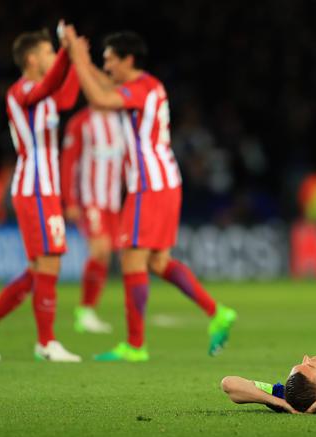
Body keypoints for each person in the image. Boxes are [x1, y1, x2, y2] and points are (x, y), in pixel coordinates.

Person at [62, 25, 237, 360]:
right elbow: (105, 85)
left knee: (132, 257)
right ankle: (217, 312)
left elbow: (99, 97)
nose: (107, 66)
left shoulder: (140, 88)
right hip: (164, 181)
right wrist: (81, 61)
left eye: (109, 59)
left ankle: (135, 345)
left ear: (128, 59)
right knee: (157, 261)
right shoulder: (145, 85)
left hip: (149, 185)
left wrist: (79, 61)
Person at [0, 23, 81, 362]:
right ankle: (46, 343)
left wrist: (72, 60)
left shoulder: (43, 95)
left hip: (44, 189)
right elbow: (51, 86)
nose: (52, 58)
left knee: (41, 268)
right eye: (47, 53)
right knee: (48, 264)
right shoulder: (21, 92)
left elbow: (68, 96)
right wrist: (66, 51)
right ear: (32, 58)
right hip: (34, 188)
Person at [61, 105, 125, 334]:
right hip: (90, 199)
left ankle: (88, 310)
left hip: (113, 201)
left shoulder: (120, 120)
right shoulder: (82, 122)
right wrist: (69, 201)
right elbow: (68, 162)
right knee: (100, 249)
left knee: (107, 255)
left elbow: (125, 161)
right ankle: (84, 311)